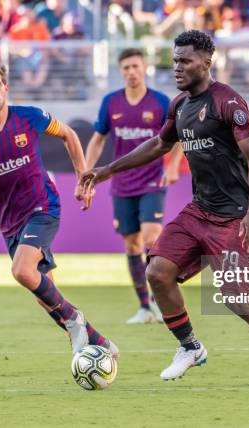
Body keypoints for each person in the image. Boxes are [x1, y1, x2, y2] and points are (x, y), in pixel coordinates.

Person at [80, 30, 249, 387]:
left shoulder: (227, 102)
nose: (177, 67)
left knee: (236, 297)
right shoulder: (180, 105)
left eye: (185, 61)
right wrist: (107, 169)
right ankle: (190, 346)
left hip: (236, 216)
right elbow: (159, 144)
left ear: (206, 62)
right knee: (157, 271)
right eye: (175, 60)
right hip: (200, 211)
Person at [0, 61, 117, 358]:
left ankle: (75, 320)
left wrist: (83, 178)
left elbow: (69, 135)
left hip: (42, 206)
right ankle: (100, 342)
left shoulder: (30, 117)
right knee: (44, 294)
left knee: (22, 270)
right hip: (10, 221)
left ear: (6, 88)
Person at [85, 48, 182, 325]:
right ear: (121, 70)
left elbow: (178, 138)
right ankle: (144, 307)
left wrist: (173, 165)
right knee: (131, 245)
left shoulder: (161, 102)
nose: (131, 71)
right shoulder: (111, 103)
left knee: (151, 239)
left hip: (152, 180)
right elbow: (98, 139)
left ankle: (161, 299)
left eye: (135, 66)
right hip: (122, 183)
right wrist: (86, 172)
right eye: (126, 67)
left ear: (145, 68)